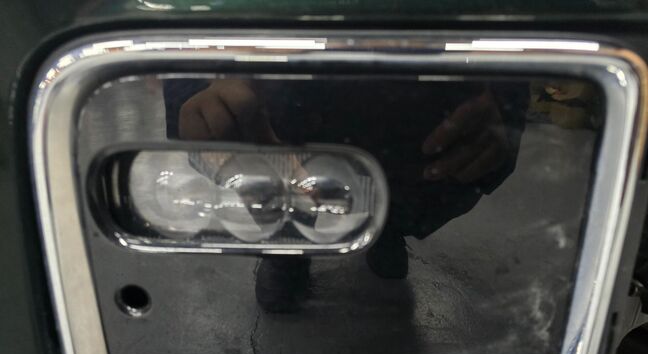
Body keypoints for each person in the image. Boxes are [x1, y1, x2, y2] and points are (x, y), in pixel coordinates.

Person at [164, 77, 526, 311]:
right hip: (281, 101)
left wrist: (504, 96)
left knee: (410, 176)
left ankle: (385, 228)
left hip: (415, 104)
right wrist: (198, 92)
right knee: (278, 184)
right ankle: (287, 251)